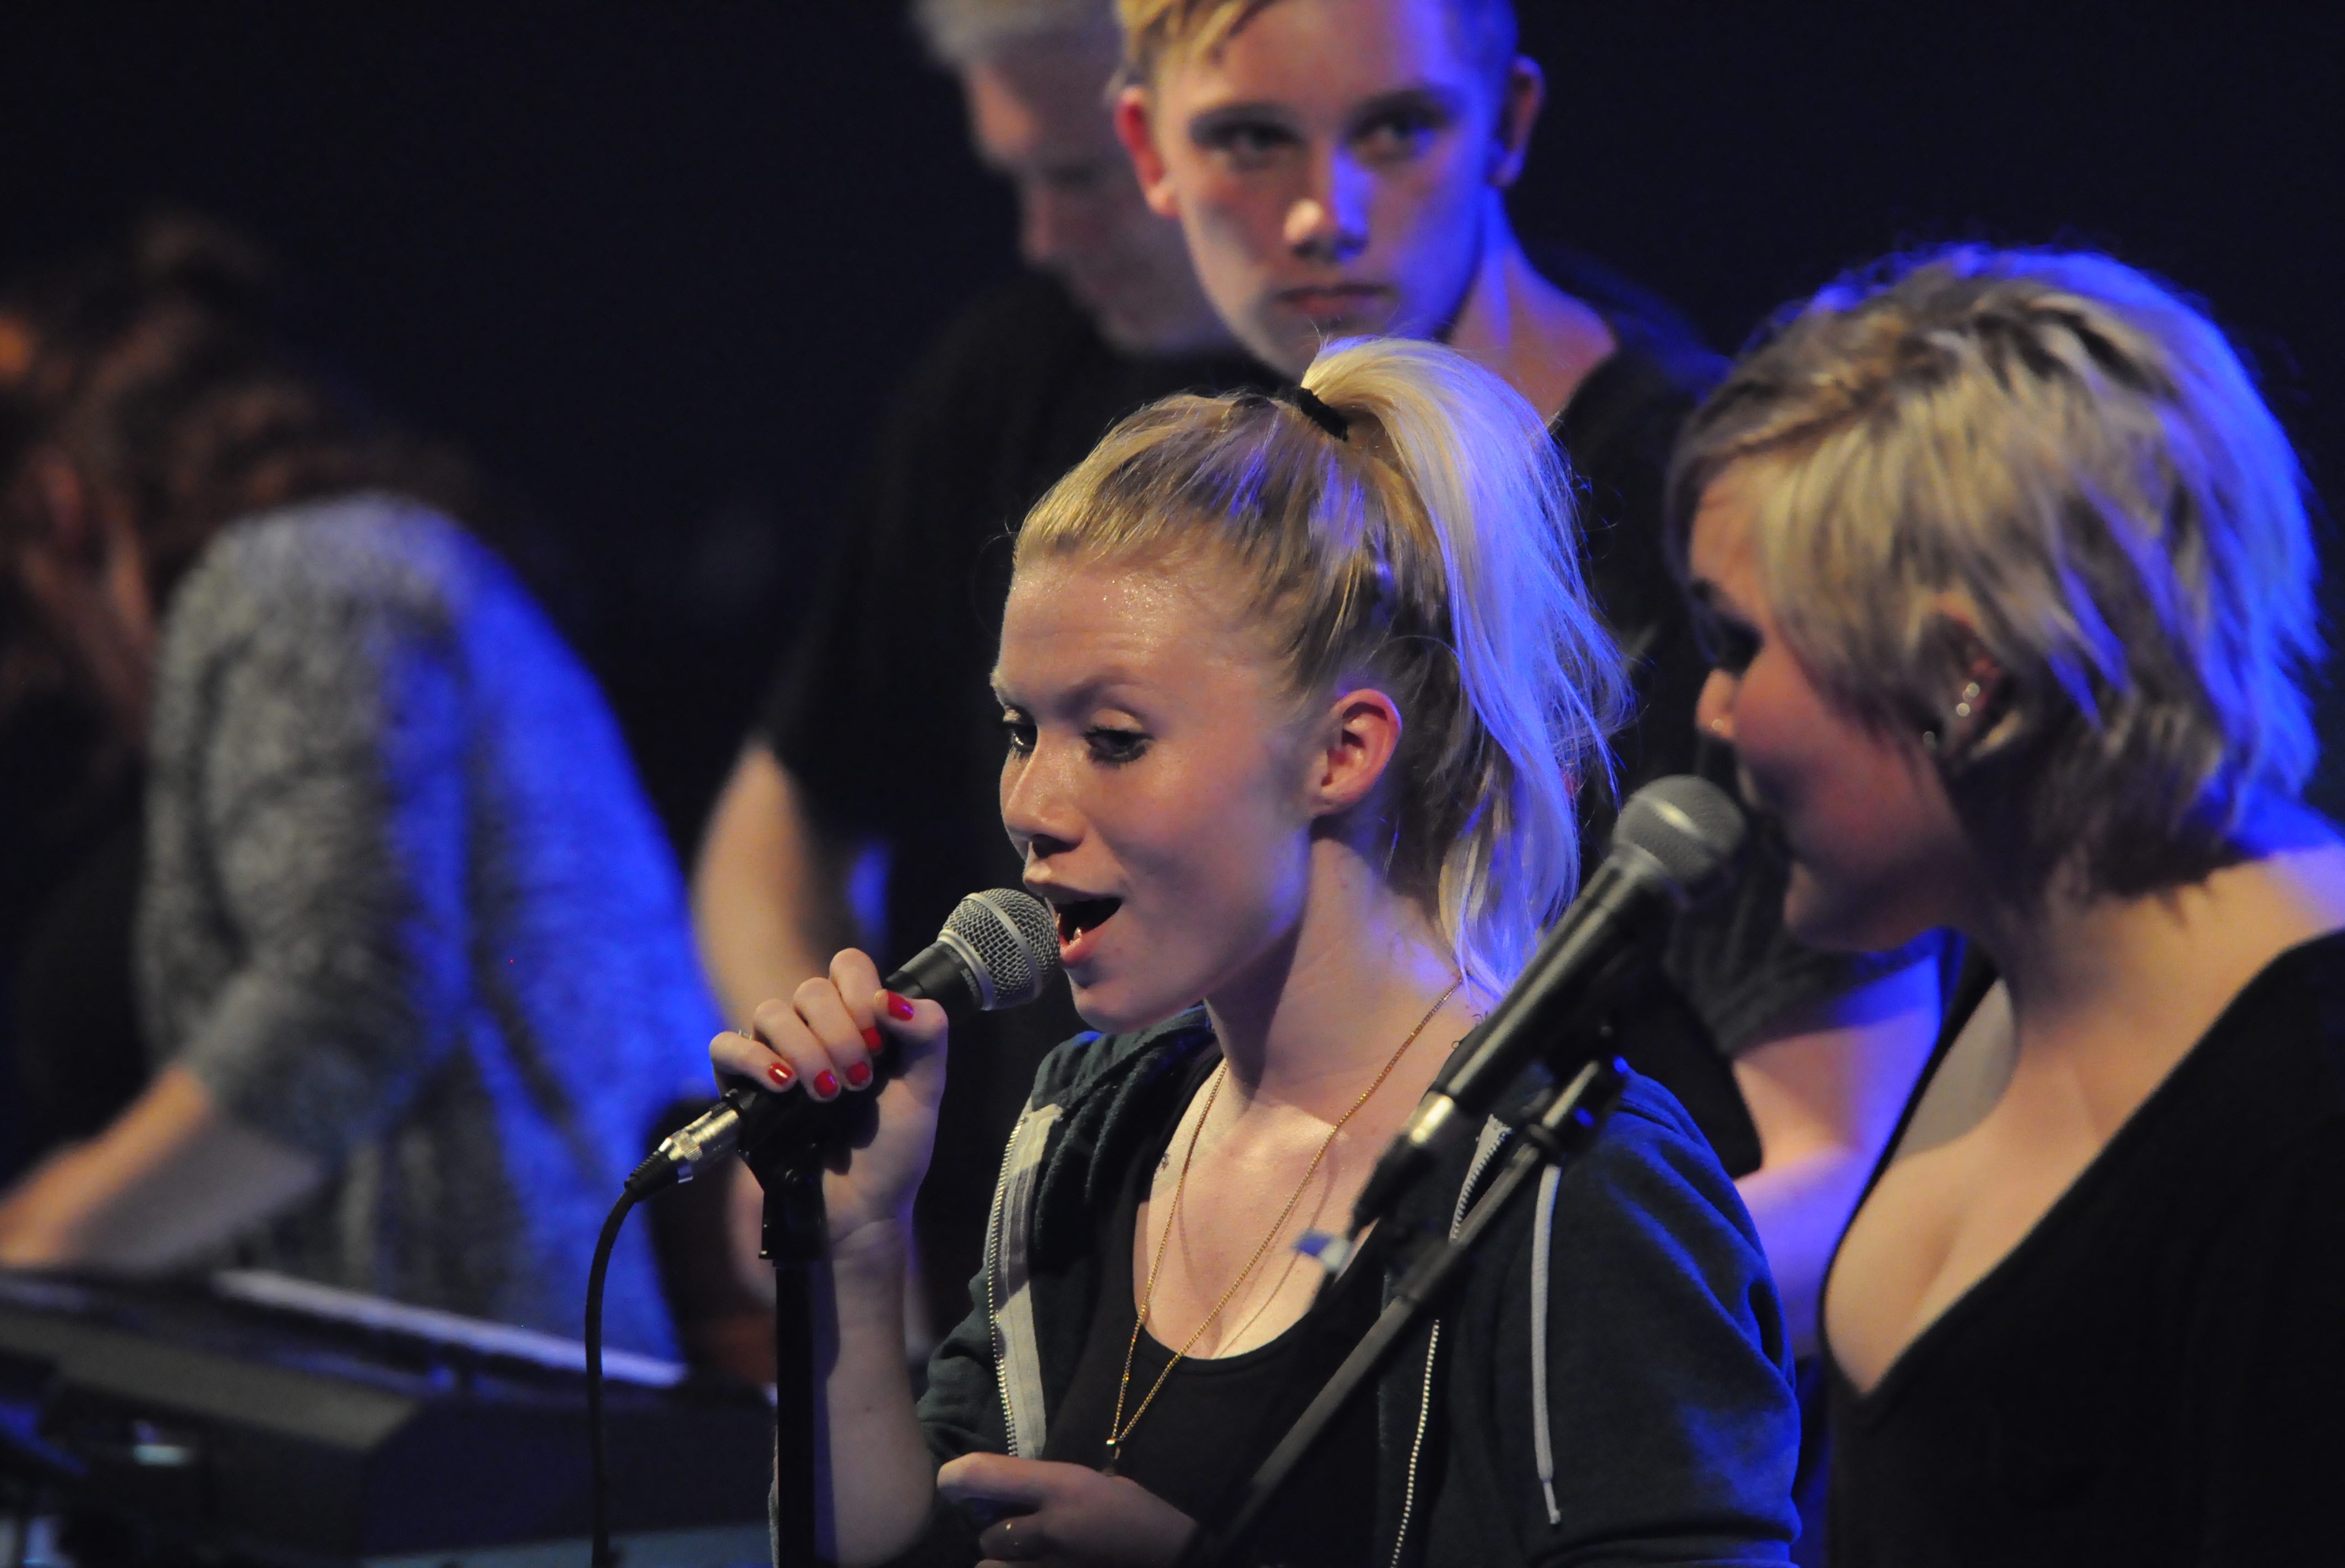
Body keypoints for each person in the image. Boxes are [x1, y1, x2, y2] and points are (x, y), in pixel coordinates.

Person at [715, 337, 1799, 1566]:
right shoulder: (1088, 1129)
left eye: (1114, 739)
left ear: (1342, 752)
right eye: (1021, 728)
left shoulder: (1576, 1183)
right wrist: (855, 1258)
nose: (1031, 803)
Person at [1108, 0, 1940, 1369]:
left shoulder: (1708, 527)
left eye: (1397, 128)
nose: (1323, 215)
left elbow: (1851, 1178)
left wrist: (1361, 1375)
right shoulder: (1229, 492)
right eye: (1250, 139)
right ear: (1148, 148)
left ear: (1507, 124)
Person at [1674, 245, 2345, 1565]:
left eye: (1738, 645)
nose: (1713, 712)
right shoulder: (2019, 946)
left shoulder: (2306, 1117)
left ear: (1965, 680)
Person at [0, 221, 717, 1357]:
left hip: (483, 1413)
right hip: (522, 1393)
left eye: (26, 612)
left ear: (59, 501)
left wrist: (41, 1239)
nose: (52, 671)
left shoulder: (298, 581)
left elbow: (347, 998)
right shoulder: (369, 574)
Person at [694, 0, 1259, 1334]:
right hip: (1023, 1297)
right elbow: (781, 816)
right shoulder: (1005, 376)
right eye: (1019, 729)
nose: (1042, 238)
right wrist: (819, 1083)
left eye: (1084, 176)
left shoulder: (1416, 434)